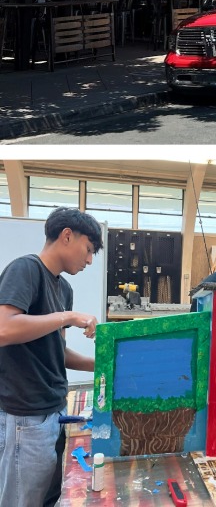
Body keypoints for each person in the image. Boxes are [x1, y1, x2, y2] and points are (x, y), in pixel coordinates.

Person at [0, 207, 103, 507]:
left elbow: (56, 352)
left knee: (49, 498)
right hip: (26, 417)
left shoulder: (64, 288)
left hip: (54, 409)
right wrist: (68, 317)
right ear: (67, 236)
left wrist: (101, 365)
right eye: (88, 249)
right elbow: (4, 328)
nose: (89, 260)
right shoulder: (26, 270)